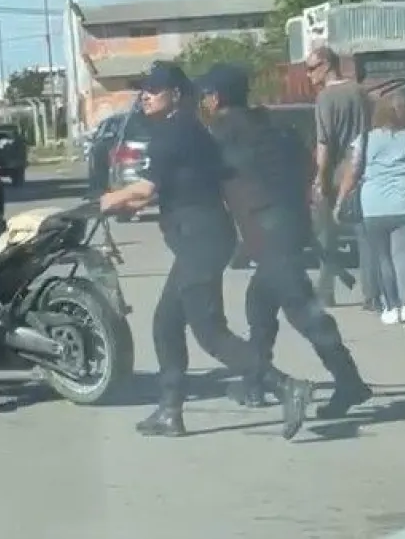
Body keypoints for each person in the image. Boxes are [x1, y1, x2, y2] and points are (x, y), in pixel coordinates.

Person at [100, 61, 313, 440]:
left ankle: (285, 386)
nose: (145, 96)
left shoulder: (174, 132)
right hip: (202, 236)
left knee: (210, 331)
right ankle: (170, 411)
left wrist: (106, 200)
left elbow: (146, 189)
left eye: (154, 89)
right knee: (166, 323)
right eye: (144, 89)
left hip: (200, 240)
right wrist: (126, 203)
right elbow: (178, 186)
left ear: (175, 95)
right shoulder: (189, 129)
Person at [195, 63, 372, 417]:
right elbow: (306, 167)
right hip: (288, 225)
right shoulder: (271, 125)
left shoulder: (222, 133)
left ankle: (349, 380)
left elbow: (205, 179)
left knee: (303, 311)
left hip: (269, 232)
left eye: (206, 95)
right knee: (259, 303)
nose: (204, 102)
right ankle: (255, 382)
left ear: (216, 98)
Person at [335, 93, 405, 325]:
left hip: (374, 205)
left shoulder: (365, 139)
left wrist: (340, 201)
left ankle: (392, 306)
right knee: (403, 255)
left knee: (383, 257)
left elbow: (352, 173)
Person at [307, 46, 379, 310]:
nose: (308, 75)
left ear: (327, 65)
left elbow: (324, 144)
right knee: (365, 237)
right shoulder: (362, 93)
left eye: (311, 68)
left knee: (327, 236)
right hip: (364, 171)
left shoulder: (325, 98)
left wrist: (320, 179)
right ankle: (372, 294)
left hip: (336, 174)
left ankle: (326, 291)